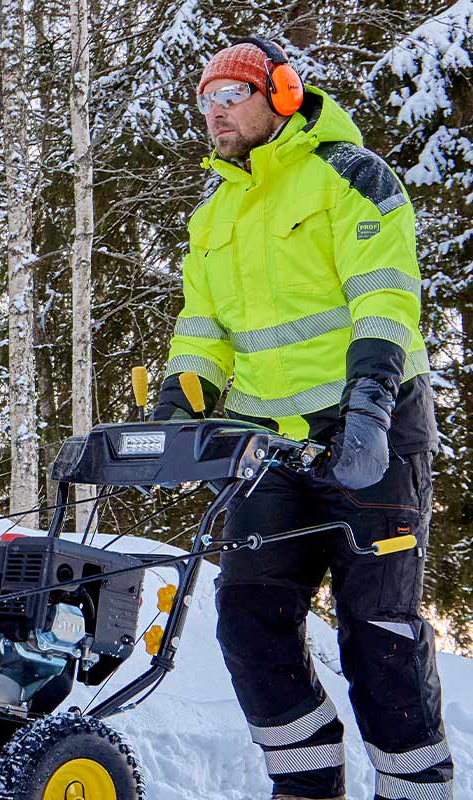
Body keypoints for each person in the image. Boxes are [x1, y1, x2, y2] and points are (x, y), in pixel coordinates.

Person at [152, 37, 456, 800]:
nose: (215, 112)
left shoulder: (350, 176)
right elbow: (203, 329)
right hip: (271, 450)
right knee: (248, 617)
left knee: (380, 634)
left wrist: (369, 405)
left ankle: (416, 792)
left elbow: (385, 298)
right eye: (206, 100)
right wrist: (180, 400)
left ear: (282, 95)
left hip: (373, 428)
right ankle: (306, 788)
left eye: (232, 95)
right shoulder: (214, 211)